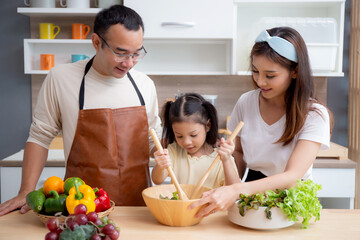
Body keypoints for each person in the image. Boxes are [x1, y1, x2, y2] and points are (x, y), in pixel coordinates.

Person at [0, 5, 162, 216]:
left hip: (138, 209)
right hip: (80, 208)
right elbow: (39, 138)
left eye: (136, 54)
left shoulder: (145, 85)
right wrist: (26, 191)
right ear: (96, 42)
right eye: (121, 53)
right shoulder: (61, 78)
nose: (129, 63)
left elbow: (154, 142)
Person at [189, 27, 332, 217]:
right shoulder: (246, 102)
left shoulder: (314, 115)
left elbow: (292, 175)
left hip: (292, 195)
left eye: (270, 75)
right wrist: (232, 185)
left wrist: (236, 191)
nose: (260, 82)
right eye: (256, 71)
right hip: (251, 189)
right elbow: (238, 151)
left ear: (295, 71)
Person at [151, 93, 240, 189]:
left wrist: (226, 161)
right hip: (179, 204)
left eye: (193, 135)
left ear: (208, 126)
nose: (186, 142)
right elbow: (157, 180)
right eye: (179, 136)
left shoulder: (221, 157)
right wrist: (161, 165)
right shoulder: (173, 152)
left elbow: (235, 189)